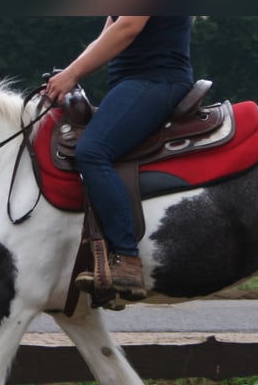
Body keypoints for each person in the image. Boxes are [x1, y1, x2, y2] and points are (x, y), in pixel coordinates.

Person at [44, 16, 193, 301]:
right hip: (134, 83)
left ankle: (126, 258)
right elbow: (106, 36)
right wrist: (63, 78)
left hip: (156, 80)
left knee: (93, 151)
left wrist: (72, 75)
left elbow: (128, 28)